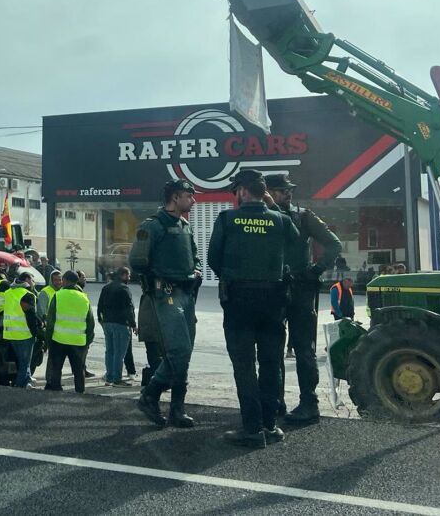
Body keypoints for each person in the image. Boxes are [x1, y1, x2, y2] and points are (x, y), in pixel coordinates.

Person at [208, 169, 300, 448]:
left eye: (236, 191)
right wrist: (273, 209)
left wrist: (234, 277)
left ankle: (252, 428)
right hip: (273, 300)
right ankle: (270, 425)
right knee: (272, 363)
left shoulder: (227, 219)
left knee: (244, 365)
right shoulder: (281, 220)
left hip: (239, 301)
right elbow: (296, 246)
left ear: (243, 191)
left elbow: (213, 259)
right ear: (264, 193)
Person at [265, 173, 342, 425]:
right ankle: (275, 401)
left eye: (289, 190)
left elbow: (334, 244)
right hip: (273, 289)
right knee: (271, 348)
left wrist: (315, 270)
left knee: (303, 349)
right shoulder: (261, 217)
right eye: (281, 190)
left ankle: (309, 403)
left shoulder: (304, 216)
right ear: (268, 192)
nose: (288, 193)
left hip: (299, 288)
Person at [130, 179, 201, 428]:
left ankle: (174, 409)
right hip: (166, 294)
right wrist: (159, 278)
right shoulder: (152, 225)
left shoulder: (184, 226)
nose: (193, 200)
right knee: (178, 351)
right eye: (189, 196)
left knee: (184, 352)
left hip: (186, 293)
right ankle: (151, 396)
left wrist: (196, 270)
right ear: (175, 198)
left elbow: (195, 257)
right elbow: (137, 262)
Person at [44, 270, 95, 393]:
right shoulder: (84, 298)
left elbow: (50, 321)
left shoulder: (58, 296)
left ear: (65, 280)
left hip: (58, 340)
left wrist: (48, 341)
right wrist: (87, 341)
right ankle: (80, 393)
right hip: (78, 342)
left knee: (56, 369)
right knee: (79, 371)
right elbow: (90, 323)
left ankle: (55, 392)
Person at [97, 266, 136, 387]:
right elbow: (129, 308)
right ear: (123, 275)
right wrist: (133, 324)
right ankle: (117, 379)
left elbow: (100, 305)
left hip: (107, 323)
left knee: (110, 351)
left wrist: (101, 320)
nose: (129, 278)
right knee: (119, 353)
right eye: (128, 275)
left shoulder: (106, 287)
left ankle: (109, 377)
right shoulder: (124, 289)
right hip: (120, 323)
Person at [2, 278, 40, 388]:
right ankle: (20, 386)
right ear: (26, 283)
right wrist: (35, 332)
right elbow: (30, 316)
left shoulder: (8, 293)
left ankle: (26, 380)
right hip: (24, 334)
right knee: (25, 363)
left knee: (20, 361)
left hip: (10, 333)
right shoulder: (27, 295)